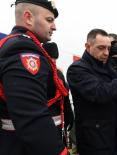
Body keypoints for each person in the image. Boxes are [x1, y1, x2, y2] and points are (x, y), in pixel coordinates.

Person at [0, 1, 70, 155]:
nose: (54, 27)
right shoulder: (23, 50)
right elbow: (32, 119)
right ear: (28, 17)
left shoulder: (24, 45)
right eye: (49, 20)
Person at [42, 42, 75, 146]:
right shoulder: (57, 74)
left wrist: (69, 115)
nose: (54, 61)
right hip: (51, 122)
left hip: (52, 122)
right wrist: (70, 116)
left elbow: (64, 96)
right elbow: (65, 97)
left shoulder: (58, 74)